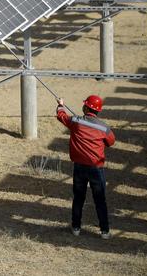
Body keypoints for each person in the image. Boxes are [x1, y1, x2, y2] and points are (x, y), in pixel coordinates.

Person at [56, 94, 116, 239]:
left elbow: (61, 116)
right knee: (100, 200)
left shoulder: (75, 121)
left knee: (78, 198)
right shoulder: (104, 128)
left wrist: (60, 104)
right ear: (98, 111)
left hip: (79, 167)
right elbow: (111, 142)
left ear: (86, 107)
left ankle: (76, 228)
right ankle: (105, 231)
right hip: (96, 169)